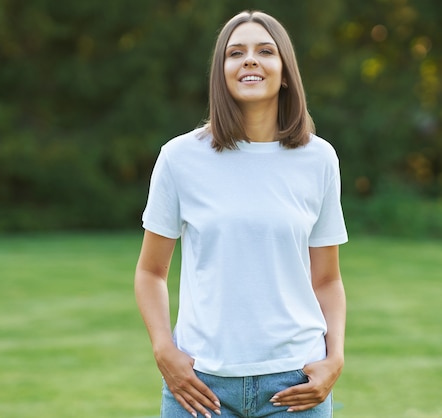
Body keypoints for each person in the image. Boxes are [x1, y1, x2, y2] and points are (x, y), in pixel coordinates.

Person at [135, 10, 348, 418]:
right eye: (236, 53)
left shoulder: (318, 158)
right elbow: (150, 273)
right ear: (222, 73)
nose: (250, 60)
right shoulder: (179, 158)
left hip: (295, 384)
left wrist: (334, 357)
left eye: (264, 51)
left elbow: (327, 278)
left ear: (284, 72)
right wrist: (165, 350)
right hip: (198, 384)